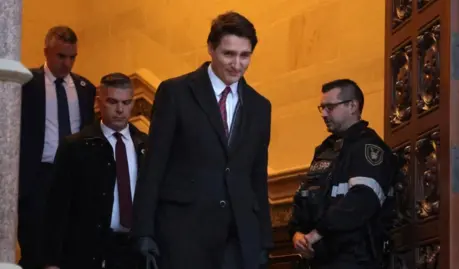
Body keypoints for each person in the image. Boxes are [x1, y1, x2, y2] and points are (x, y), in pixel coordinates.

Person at [132, 11, 273, 269]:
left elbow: (257, 177)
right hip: (183, 234)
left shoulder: (260, 106)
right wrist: (143, 230)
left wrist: (264, 239)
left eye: (245, 55)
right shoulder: (175, 92)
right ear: (210, 48)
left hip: (239, 239)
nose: (237, 64)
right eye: (228, 54)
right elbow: (154, 166)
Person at [41, 73, 148, 269]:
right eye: (112, 101)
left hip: (134, 251)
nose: (119, 109)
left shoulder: (145, 145)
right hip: (89, 250)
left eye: (126, 103)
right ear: (99, 103)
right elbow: (57, 208)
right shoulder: (75, 146)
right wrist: (51, 262)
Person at [288, 79, 397, 269]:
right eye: (321, 108)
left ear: (352, 106)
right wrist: (296, 234)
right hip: (317, 259)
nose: (323, 114)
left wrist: (317, 233)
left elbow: (362, 200)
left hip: (353, 259)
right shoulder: (325, 150)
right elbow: (303, 198)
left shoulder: (368, 148)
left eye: (330, 107)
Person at [18, 25, 97, 269]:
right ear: (46, 52)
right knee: (35, 244)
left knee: (70, 241)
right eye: (61, 56)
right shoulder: (27, 84)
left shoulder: (85, 89)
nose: (67, 63)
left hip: (74, 175)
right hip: (38, 174)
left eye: (72, 57)